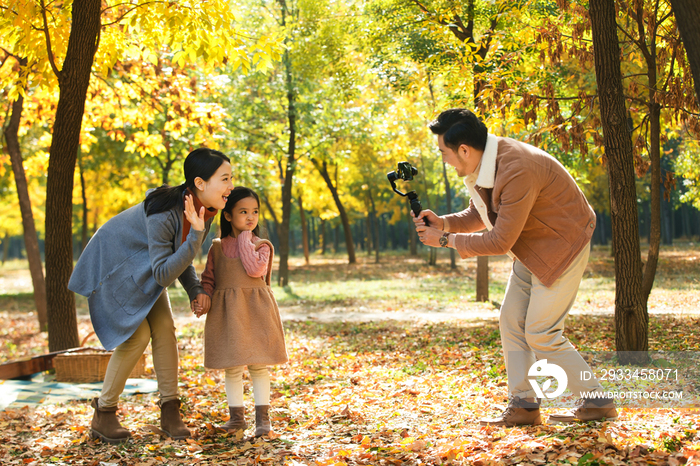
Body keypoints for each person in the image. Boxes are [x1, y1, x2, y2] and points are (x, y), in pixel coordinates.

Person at [413, 108, 617, 426]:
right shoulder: (486, 163)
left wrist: (444, 240)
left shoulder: (516, 168)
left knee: (541, 332)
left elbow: (498, 241)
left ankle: (598, 401)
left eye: (444, 152)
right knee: (511, 320)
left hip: (563, 245)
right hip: (531, 248)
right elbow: (483, 212)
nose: (444, 159)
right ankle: (524, 406)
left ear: (463, 149)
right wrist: (444, 222)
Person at [68, 148, 233, 443]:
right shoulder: (164, 212)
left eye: (230, 179)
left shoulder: (203, 212)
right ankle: (104, 413)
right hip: (115, 269)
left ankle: (170, 410)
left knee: (165, 330)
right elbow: (163, 272)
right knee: (137, 337)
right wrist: (195, 237)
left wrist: (195, 288)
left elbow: (178, 256)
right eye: (225, 179)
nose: (230, 186)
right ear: (200, 183)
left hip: (143, 272)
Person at [196, 186, 288, 437]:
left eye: (255, 212)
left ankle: (263, 420)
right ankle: (237, 418)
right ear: (228, 215)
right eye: (243, 212)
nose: (250, 217)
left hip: (256, 311)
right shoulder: (216, 247)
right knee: (233, 367)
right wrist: (202, 297)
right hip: (228, 314)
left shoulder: (262, 245)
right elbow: (208, 279)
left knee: (259, 365)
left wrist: (245, 241)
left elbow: (255, 270)